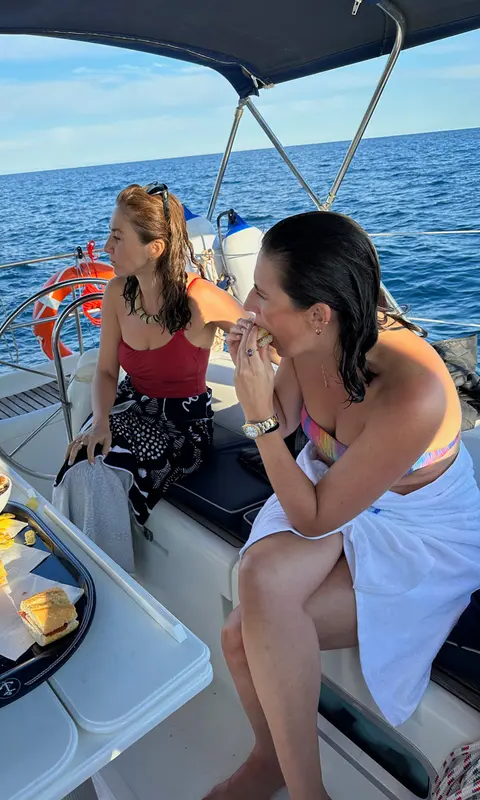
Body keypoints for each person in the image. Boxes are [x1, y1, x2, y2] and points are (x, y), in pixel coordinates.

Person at [205, 211, 480, 800]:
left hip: (419, 528)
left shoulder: (414, 391)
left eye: (261, 291)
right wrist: (257, 380)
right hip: (335, 493)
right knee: (244, 621)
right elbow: (280, 431)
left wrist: (256, 414)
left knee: (243, 630)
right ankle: (273, 760)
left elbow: (309, 511)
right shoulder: (309, 341)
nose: (247, 304)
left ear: (319, 313)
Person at [53, 183, 243, 573]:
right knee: (79, 460)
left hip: (182, 426)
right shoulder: (117, 293)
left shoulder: (200, 296)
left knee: (100, 473)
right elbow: (106, 371)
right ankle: (78, 567)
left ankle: (107, 580)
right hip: (128, 406)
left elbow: (265, 339)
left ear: (154, 248)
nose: (106, 247)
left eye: (117, 237)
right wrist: (100, 423)